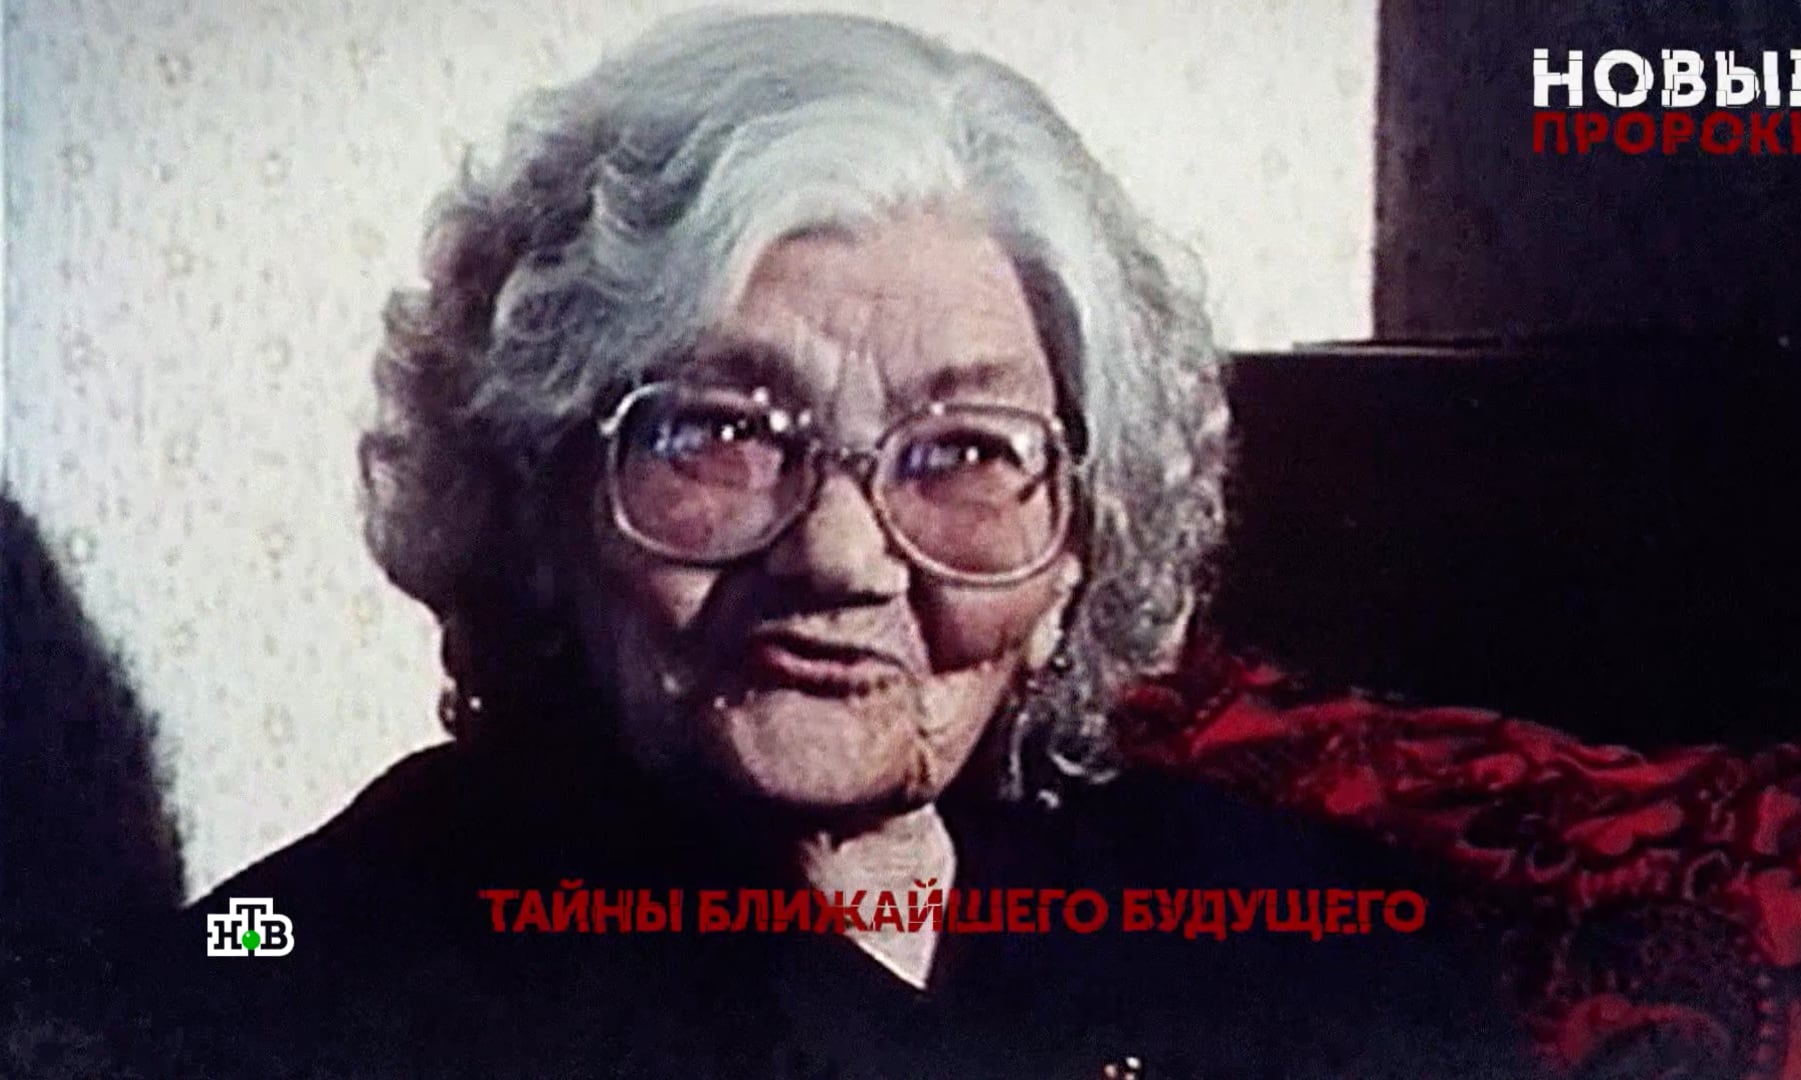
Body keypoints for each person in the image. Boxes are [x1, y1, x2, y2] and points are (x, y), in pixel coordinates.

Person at [140, 12, 1543, 1078]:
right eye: (719, 434)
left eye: (967, 453)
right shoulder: (298, 977)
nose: (840, 556)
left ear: (1075, 554)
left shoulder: (1322, 943)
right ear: (539, 491)